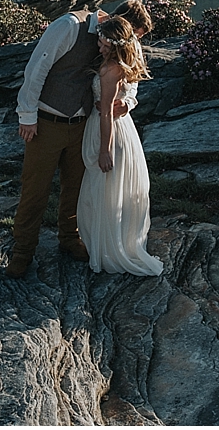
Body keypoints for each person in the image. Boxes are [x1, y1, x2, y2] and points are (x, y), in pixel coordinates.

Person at [6, 0, 153, 279]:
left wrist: (129, 102)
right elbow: (37, 68)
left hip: (85, 124)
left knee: (76, 187)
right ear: (117, 20)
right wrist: (27, 116)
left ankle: (70, 239)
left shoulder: (114, 39)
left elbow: (130, 73)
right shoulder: (69, 26)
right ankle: (22, 252)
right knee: (35, 191)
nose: (130, 42)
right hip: (47, 122)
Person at [76, 17, 162, 276]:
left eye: (103, 44)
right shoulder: (119, 64)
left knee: (105, 191)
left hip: (110, 131)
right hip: (122, 129)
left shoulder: (110, 70)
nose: (99, 48)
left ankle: (110, 250)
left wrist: (105, 150)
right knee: (114, 190)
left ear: (114, 46)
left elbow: (106, 114)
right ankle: (112, 245)